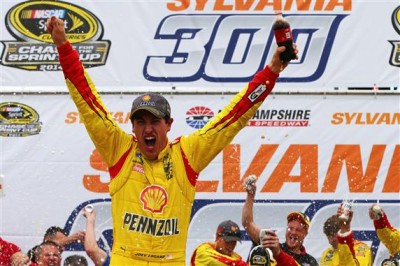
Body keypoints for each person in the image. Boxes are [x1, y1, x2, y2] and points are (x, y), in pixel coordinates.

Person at [46, 15, 297, 265]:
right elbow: (87, 101)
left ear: (169, 124)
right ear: (132, 126)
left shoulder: (188, 153)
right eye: (140, 122)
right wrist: (64, 47)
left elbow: (235, 114)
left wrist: (271, 71)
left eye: (154, 121)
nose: (147, 129)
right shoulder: (118, 148)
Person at [242, 176, 318, 265]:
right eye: (290, 228)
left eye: (298, 230)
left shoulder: (310, 261)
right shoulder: (272, 245)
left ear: (305, 234)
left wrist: (278, 254)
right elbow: (247, 223)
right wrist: (250, 195)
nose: (293, 232)